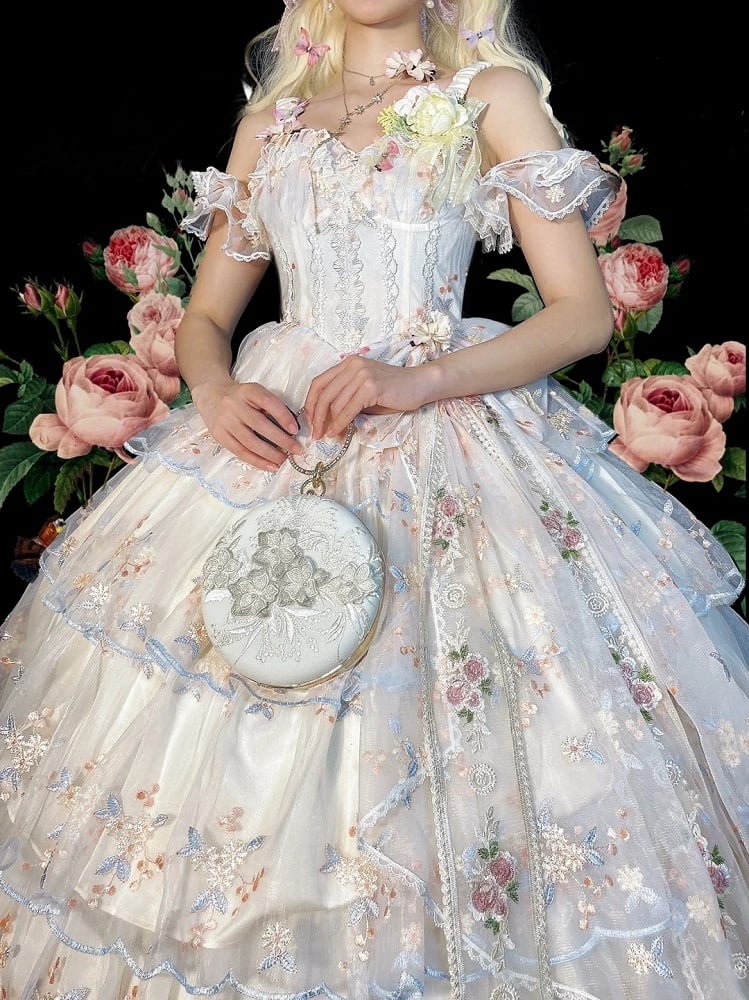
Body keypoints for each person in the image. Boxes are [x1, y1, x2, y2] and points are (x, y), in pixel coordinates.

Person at [1, 0, 747, 996]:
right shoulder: (273, 122)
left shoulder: (489, 95)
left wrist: (418, 380)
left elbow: (579, 314)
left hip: (442, 420)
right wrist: (214, 391)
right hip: (275, 431)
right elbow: (207, 318)